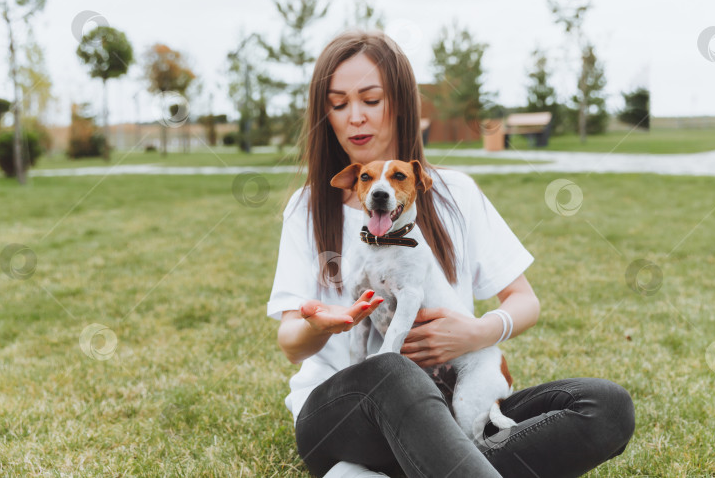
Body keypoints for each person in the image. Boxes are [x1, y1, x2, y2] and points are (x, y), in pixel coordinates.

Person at [267, 30, 635, 477]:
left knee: (605, 406)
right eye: (339, 104)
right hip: (343, 417)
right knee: (392, 368)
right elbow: (290, 344)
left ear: (399, 104)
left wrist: (477, 333)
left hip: (447, 407)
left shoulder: (455, 192)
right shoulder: (308, 207)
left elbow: (525, 301)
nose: (355, 117)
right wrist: (319, 326)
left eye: (370, 99)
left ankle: (425, 463)